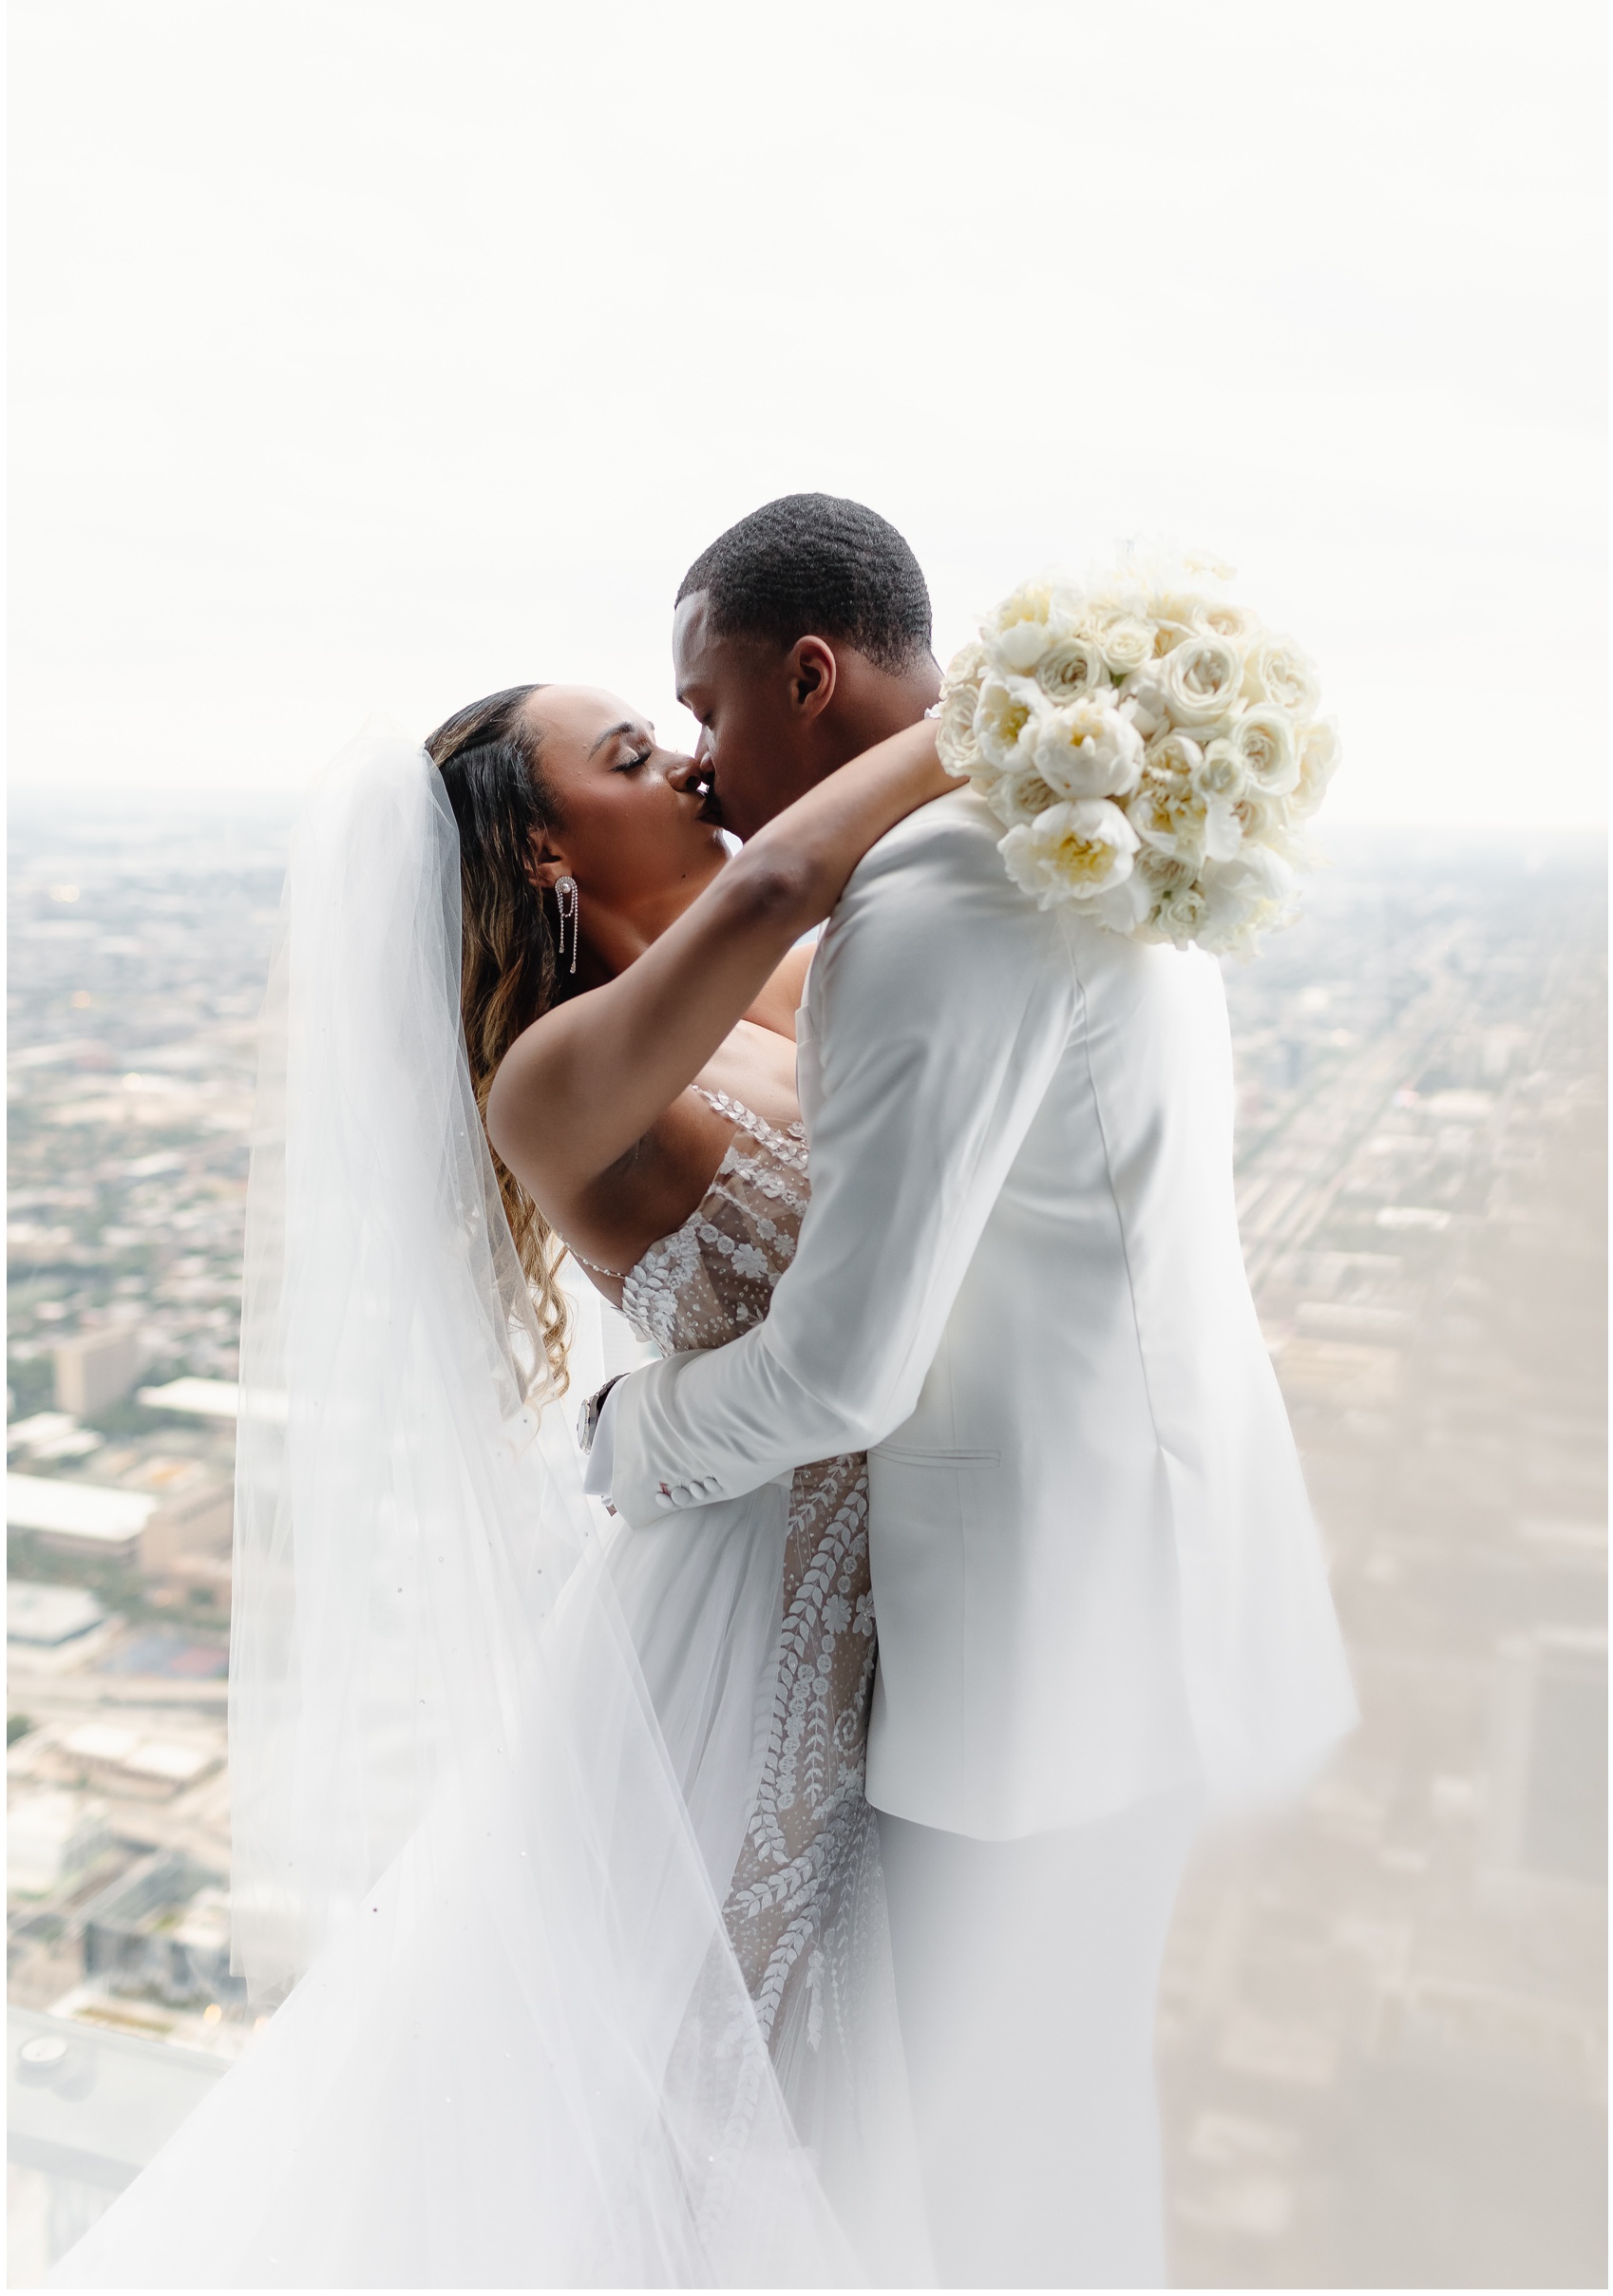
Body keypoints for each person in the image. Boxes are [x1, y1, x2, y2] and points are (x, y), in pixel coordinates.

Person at [51, 662, 956, 2287]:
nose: (687, 761)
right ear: (547, 851)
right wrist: (1013, 724)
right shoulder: (552, 1074)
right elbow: (777, 871)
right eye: (632, 751)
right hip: (739, 1633)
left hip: (861, 1583)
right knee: (696, 2105)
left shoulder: (776, 999)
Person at [585, 492, 1360, 2286]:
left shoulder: (940, 914)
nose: (704, 766)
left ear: (807, 674)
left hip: (1042, 1668)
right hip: (1150, 1604)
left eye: (706, 711)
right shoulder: (1063, 845)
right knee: (1056, 2148)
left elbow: (847, 1369)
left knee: (982, 2181)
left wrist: (629, 1442)